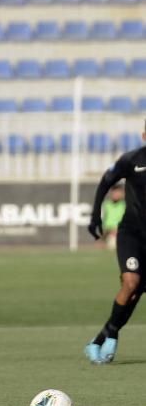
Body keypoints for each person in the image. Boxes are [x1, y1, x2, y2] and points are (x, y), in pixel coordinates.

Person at [85, 119, 146, 364]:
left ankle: (103, 337)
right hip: (131, 233)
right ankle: (110, 335)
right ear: (144, 135)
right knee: (131, 283)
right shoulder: (132, 160)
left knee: (136, 292)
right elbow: (106, 181)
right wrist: (94, 216)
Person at [101, 184, 126, 251]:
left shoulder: (125, 205)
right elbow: (103, 221)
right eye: (115, 192)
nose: (116, 194)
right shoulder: (106, 204)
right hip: (109, 233)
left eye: (118, 192)